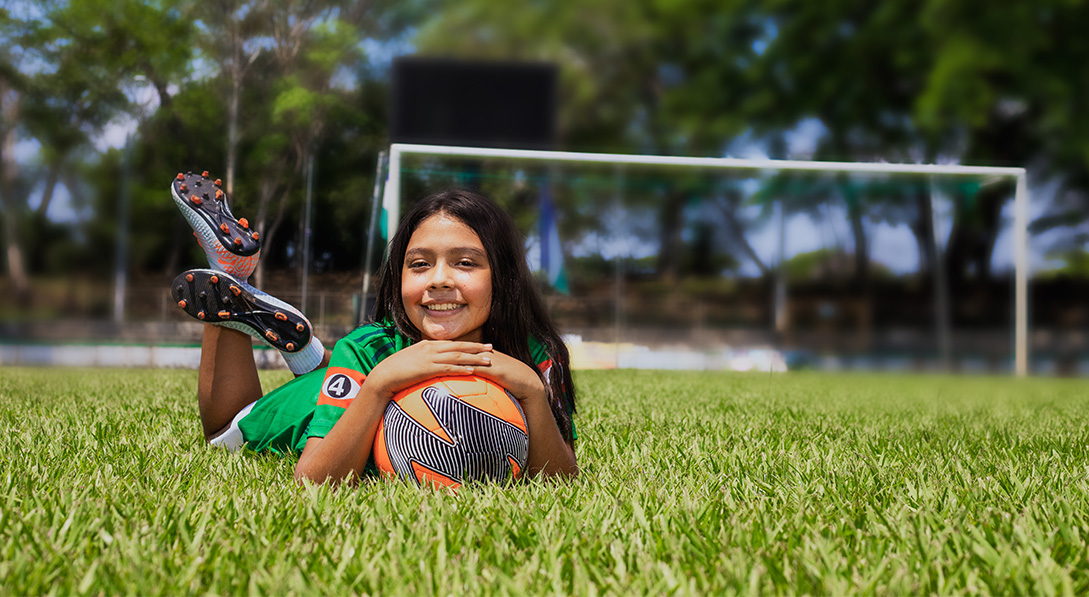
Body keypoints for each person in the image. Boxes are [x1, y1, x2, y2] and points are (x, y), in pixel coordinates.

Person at [168, 171, 578, 484]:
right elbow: (312, 480)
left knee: (342, 372)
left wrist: (530, 391)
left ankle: (308, 354)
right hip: (315, 403)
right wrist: (380, 385)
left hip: (349, 374)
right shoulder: (368, 349)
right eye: (419, 264)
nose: (438, 279)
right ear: (398, 280)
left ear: (503, 276)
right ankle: (229, 271)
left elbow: (563, 479)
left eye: (465, 262)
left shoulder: (539, 355)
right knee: (223, 432)